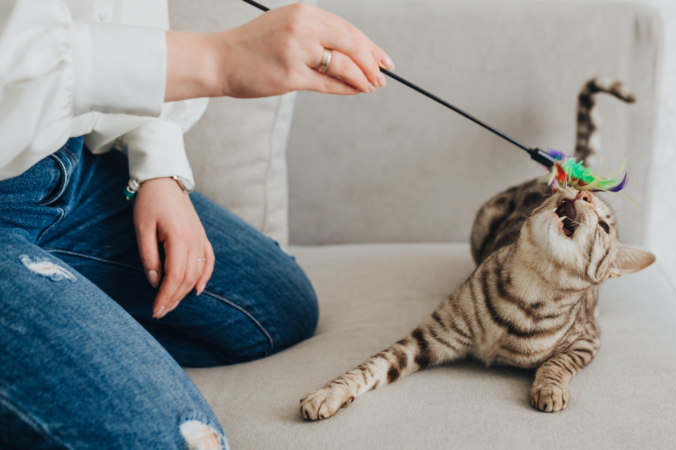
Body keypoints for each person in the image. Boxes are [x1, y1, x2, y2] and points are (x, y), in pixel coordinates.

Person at [0, 1, 393, 448]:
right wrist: (218, 58)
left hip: (67, 167)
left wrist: (157, 164)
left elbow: (120, 16)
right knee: (175, 441)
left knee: (274, 308)